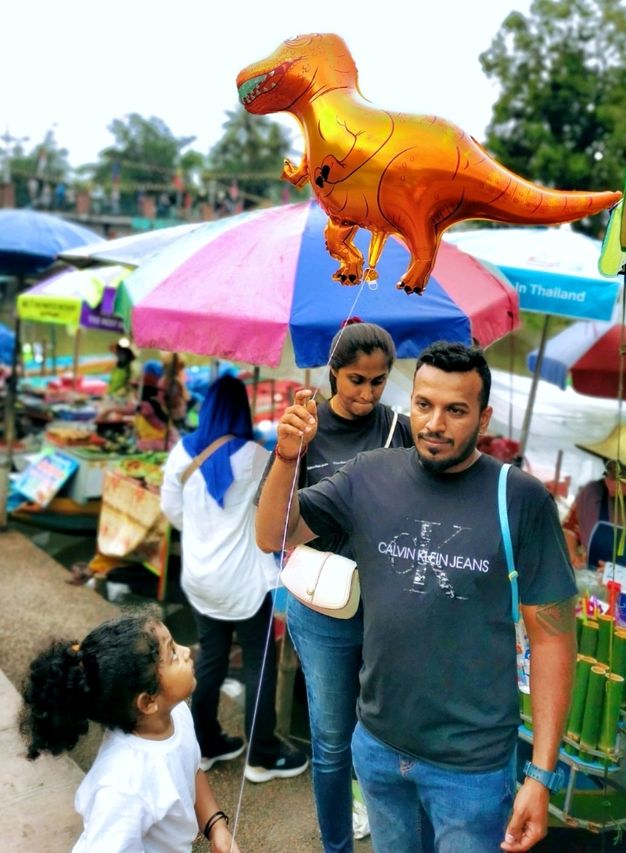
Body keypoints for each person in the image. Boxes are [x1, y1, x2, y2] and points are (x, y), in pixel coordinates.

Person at [256, 340, 577, 853]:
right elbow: (274, 534)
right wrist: (286, 456)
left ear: (484, 417)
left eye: (456, 410)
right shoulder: (370, 473)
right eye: (424, 405)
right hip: (379, 747)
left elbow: (554, 641)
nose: (434, 424)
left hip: (470, 768)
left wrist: (540, 774)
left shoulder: (520, 498)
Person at [279, 320, 412, 852]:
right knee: (332, 740)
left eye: (378, 381)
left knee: (387, 736)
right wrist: (290, 453)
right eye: (356, 379)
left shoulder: (400, 426)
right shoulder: (308, 427)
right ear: (334, 373)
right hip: (323, 602)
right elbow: (279, 518)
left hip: (387, 603)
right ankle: (337, 846)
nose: (367, 393)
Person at [160, 375, 308, 783]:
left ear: (207, 408)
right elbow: (276, 514)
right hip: (244, 583)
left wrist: (205, 532)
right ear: (242, 410)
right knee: (259, 663)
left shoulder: (180, 454)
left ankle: (205, 744)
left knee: (210, 656)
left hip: (201, 578)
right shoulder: (257, 457)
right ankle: (262, 754)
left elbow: (172, 511)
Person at [19, 609, 240, 853]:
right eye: (173, 653)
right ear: (147, 702)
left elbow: (191, 769)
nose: (187, 650)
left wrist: (215, 825)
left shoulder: (176, 713)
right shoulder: (124, 788)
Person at [563, 423, 626, 584]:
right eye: (608, 473)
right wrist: (571, 554)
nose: (610, 482)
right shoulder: (592, 494)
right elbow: (569, 529)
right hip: (593, 593)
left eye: (619, 477)